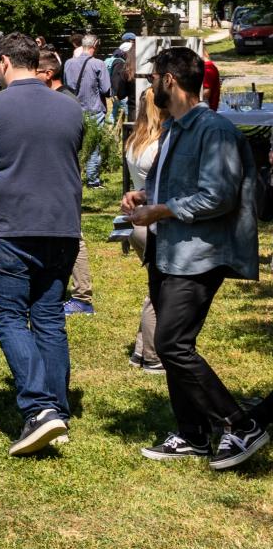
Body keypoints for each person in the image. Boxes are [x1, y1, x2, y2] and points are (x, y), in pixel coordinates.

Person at [123, 47, 266, 469]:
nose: (150, 87)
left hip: (200, 254)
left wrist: (161, 210)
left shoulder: (213, 130)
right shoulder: (175, 130)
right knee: (171, 347)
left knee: (171, 342)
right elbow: (184, 186)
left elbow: (218, 196)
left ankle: (240, 424)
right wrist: (146, 197)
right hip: (168, 250)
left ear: (169, 80)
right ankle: (193, 435)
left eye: (152, 79)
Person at [0, 32, 86, 456]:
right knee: (49, 317)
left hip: (13, 227)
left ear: (2, 62)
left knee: (10, 316)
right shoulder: (71, 107)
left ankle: (38, 408)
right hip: (63, 227)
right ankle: (59, 408)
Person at [35, 49, 96, 317]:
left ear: (48, 74)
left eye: (32, 71)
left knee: (73, 236)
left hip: (61, 181)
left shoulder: (65, 102)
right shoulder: (55, 98)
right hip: (51, 180)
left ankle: (82, 297)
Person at [123, 91, 166, 373]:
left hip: (137, 224)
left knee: (156, 289)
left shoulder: (133, 142)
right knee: (160, 294)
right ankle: (152, 355)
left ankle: (141, 351)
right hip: (154, 223)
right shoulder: (159, 144)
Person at [63, 34, 112, 188]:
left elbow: (66, 85)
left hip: (72, 109)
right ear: (95, 45)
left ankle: (73, 179)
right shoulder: (98, 64)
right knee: (93, 146)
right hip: (94, 109)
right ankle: (93, 181)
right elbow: (106, 89)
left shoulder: (68, 63)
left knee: (73, 146)